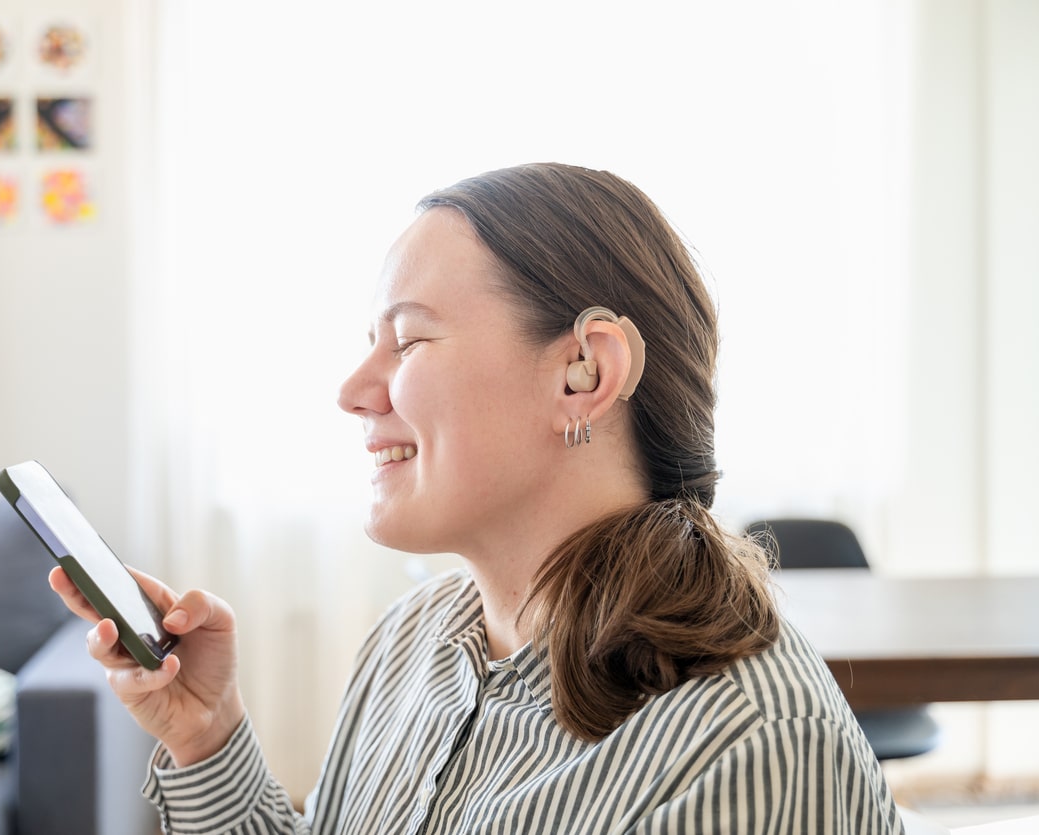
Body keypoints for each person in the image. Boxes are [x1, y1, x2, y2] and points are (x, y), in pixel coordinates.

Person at [50, 163, 904, 833]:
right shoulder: (411, 642)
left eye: (409, 338)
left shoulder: (745, 746)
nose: (353, 389)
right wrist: (206, 737)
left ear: (586, 372)